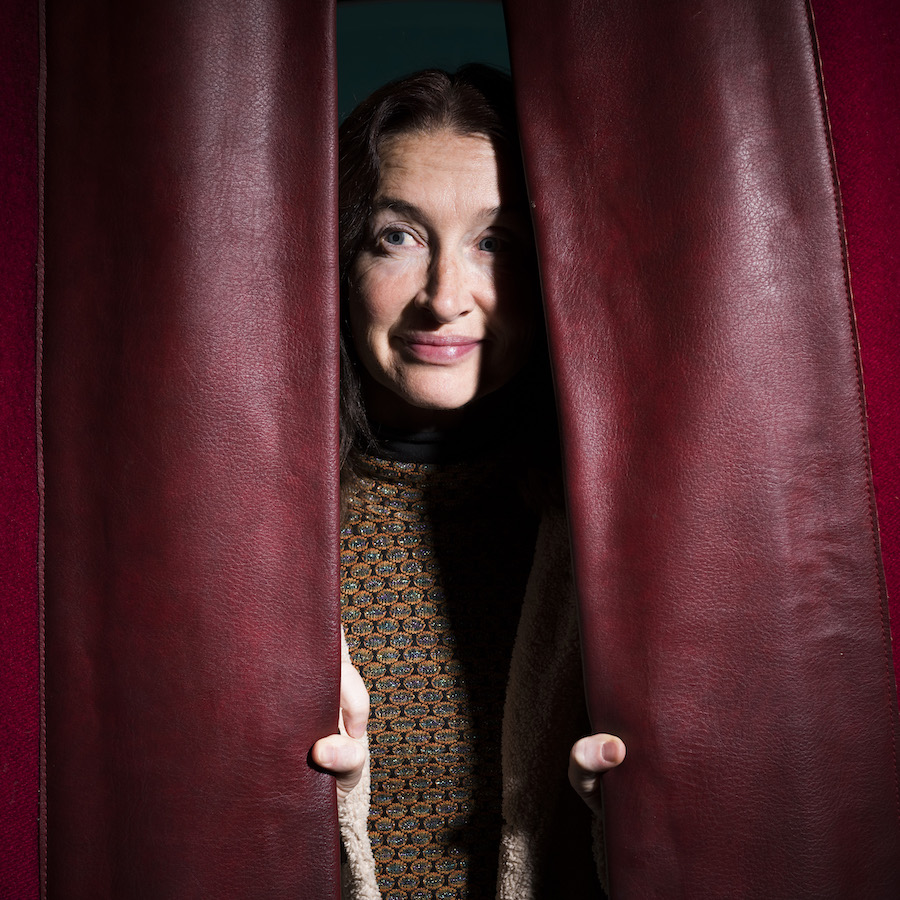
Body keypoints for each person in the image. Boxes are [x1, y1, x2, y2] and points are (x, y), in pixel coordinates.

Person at [311, 66, 626, 900]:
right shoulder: (262, 526)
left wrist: (622, 837)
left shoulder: (618, 531)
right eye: (397, 236)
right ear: (339, 260)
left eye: (496, 243)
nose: (446, 297)